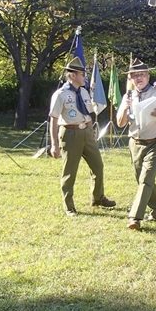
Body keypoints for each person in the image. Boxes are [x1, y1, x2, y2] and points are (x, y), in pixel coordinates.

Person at [49, 57, 116, 216]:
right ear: (72, 75)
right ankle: (69, 206)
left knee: (98, 166)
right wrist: (54, 144)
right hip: (70, 133)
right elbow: (54, 119)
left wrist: (90, 128)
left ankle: (98, 197)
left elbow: (88, 111)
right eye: (81, 74)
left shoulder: (84, 91)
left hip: (86, 132)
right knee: (70, 171)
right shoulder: (61, 95)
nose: (84, 77)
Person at [116, 59, 156, 230]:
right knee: (142, 179)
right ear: (130, 79)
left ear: (148, 76)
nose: (139, 78)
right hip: (135, 143)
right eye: (135, 75)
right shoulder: (128, 96)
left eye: (142, 74)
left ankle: (135, 217)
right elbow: (120, 123)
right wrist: (125, 108)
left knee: (146, 178)